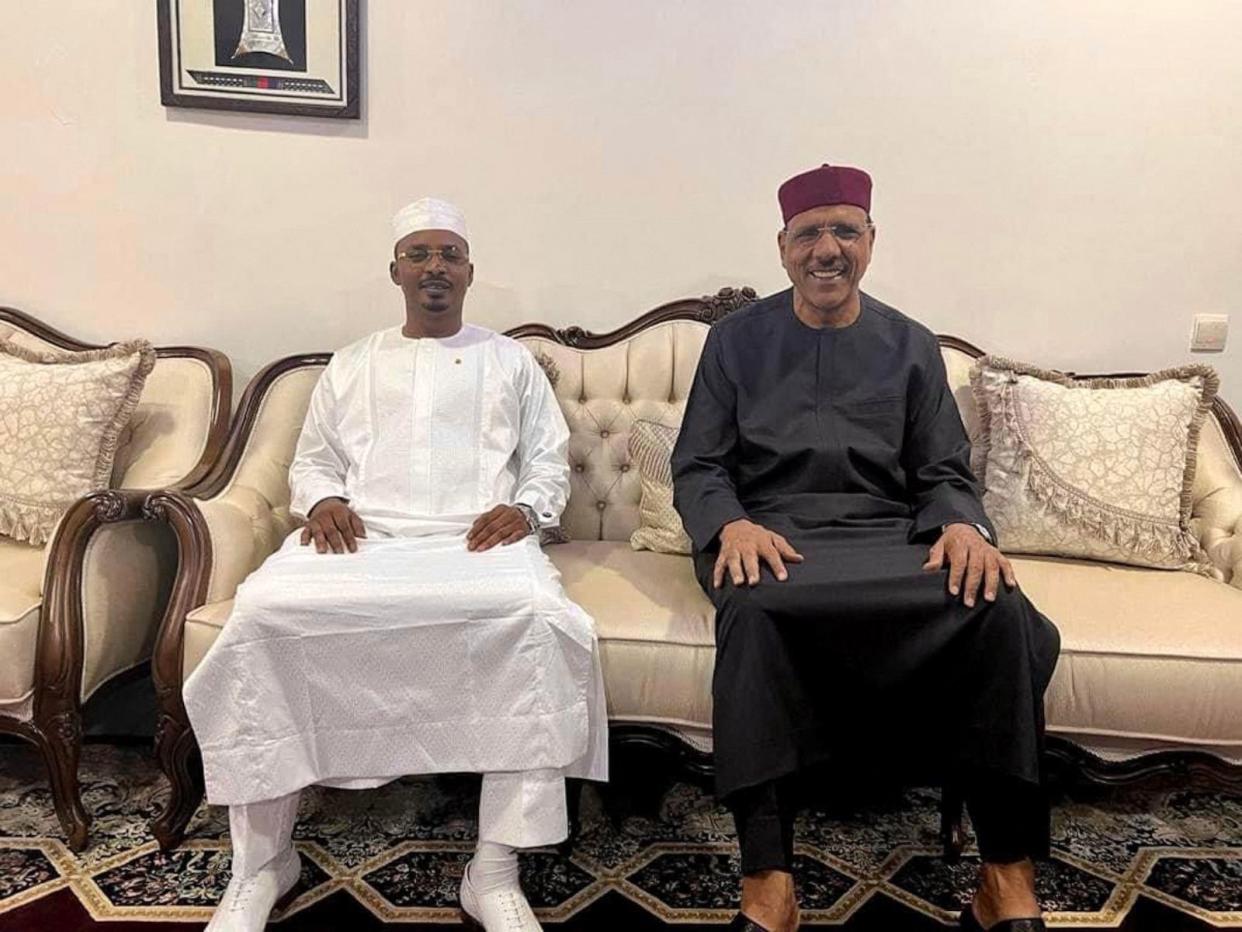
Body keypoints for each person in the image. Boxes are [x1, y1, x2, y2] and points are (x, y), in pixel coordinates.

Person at [185, 197, 608, 932]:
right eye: (419, 254)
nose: (434, 267)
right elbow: (313, 462)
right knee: (261, 616)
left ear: (470, 272)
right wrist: (321, 502)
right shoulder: (353, 363)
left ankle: (494, 871)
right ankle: (263, 864)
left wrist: (529, 510)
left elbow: (545, 462)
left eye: (448, 254)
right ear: (395, 271)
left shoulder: (510, 361)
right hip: (366, 543)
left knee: (541, 622)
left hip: (477, 544)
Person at [671, 165, 1060, 932]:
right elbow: (700, 465)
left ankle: (1005, 877)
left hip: (890, 536)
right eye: (809, 233)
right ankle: (768, 879)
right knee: (753, 608)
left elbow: (944, 472)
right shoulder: (733, 342)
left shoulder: (910, 344)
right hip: (771, 536)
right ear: (782, 249)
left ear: (871, 243)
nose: (827, 249)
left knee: (996, 608)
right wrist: (730, 528)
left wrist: (960, 525)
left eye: (845, 231)